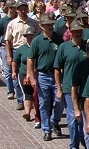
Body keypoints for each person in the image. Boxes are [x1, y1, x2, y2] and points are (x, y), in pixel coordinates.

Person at [26, 12, 64, 141]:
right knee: (44, 104)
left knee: (60, 102)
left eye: (51, 24)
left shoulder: (58, 39)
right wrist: (32, 77)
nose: (50, 27)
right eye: (47, 25)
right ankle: (47, 130)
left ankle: (54, 120)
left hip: (57, 75)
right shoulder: (37, 41)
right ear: (41, 26)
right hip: (42, 75)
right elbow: (30, 59)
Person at [54, 20, 87, 149]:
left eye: (80, 31)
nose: (78, 33)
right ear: (71, 33)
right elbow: (57, 68)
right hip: (69, 88)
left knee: (85, 117)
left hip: (86, 89)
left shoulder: (87, 46)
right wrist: (59, 88)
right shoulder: (64, 48)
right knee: (73, 117)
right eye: (76, 31)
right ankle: (74, 145)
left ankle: (84, 139)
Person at [0, 0, 18, 105]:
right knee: (7, 70)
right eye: (14, 8)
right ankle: (10, 91)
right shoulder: (3, 21)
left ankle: (18, 91)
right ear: (9, 8)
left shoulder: (18, 20)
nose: (15, 10)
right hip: (4, 47)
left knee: (16, 70)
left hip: (16, 47)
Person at [13, 26, 37, 122]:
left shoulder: (37, 47)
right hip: (23, 73)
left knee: (35, 94)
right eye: (29, 36)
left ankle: (36, 112)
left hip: (36, 73)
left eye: (32, 35)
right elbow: (15, 61)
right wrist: (14, 71)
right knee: (27, 93)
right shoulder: (21, 49)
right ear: (26, 37)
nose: (30, 37)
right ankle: (27, 112)